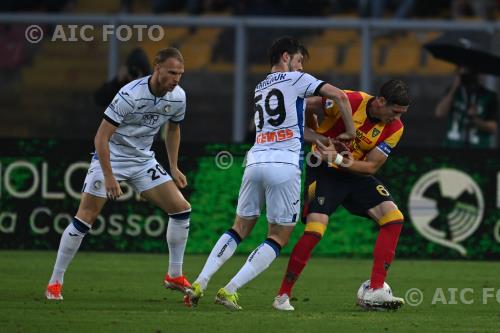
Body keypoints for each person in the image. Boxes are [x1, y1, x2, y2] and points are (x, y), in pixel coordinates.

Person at [185, 36, 355, 310]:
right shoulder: (296, 80)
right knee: (278, 236)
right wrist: (350, 132)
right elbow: (339, 96)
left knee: (239, 227)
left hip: (254, 162)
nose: (301, 68)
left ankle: (200, 281)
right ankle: (229, 290)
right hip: (284, 164)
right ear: (286, 57)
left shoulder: (261, 87)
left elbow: (293, 129)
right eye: (299, 61)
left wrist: (323, 140)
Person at [45, 47, 192, 300]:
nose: (176, 79)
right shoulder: (130, 94)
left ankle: (174, 275)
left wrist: (174, 166)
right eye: (171, 72)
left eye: (180, 73)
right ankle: (54, 282)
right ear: (157, 68)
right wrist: (110, 175)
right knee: (86, 217)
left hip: (143, 159)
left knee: (181, 209)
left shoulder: (178, 97)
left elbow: (174, 130)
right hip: (113, 155)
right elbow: (101, 136)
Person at [273, 79, 410, 311]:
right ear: (381, 101)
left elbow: (371, 167)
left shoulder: (395, 128)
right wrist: (316, 135)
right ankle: (282, 295)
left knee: (394, 218)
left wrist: (337, 159)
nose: (397, 118)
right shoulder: (351, 100)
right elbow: (305, 105)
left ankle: (376, 289)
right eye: (395, 112)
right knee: (316, 230)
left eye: (402, 114)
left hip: (353, 173)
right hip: (323, 171)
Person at [435, 66, 498, 148]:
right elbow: (439, 113)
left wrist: (476, 120)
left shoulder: (489, 96)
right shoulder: (453, 92)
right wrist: (453, 88)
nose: (465, 76)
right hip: (453, 146)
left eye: (468, 72)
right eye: (461, 72)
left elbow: (492, 128)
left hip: (479, 148)